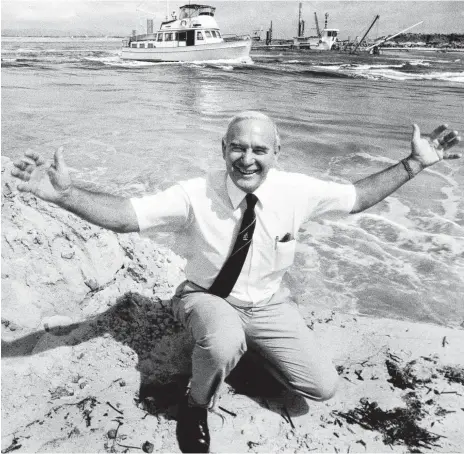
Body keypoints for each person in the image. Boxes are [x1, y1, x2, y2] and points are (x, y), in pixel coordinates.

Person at [11, 111, 461, 453]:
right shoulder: (193, 194)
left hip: (268, 304)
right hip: (204, 298)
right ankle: (195, 404)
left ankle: (237, 357)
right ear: (222, 148)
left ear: (276, 153)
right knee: (223, 336)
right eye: (237, 148)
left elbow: (357, 198)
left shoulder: (296, 191)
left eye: (259, 150)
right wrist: (67, 196)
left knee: (320, 388)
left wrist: (414, 164)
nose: (247, 159)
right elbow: (130, 217)